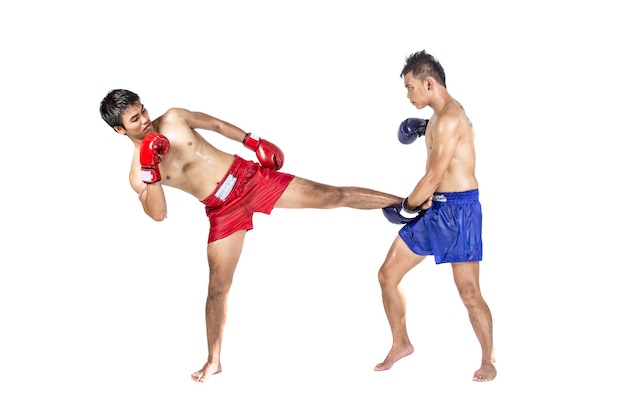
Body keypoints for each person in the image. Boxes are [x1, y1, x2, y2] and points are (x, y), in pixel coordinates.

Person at [99, 89, 403, 382]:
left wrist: (253, 141)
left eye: (143, 111)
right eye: (135, 120)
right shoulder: (136, 172)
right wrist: (150, 168)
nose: (145, 120)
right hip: (222, 209)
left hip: (249, 178)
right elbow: (158, 213)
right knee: (217, 287)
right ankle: (213, 360)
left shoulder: (175, 118)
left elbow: (216, 125)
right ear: (119, 130)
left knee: (332, 195)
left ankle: (407, 204)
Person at [375, 50, 497, 382]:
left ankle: (488, 359)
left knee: (469, 294)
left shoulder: (450, 119)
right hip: (436, 210)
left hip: (458, 213)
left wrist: (405, 209)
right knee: (387, 276)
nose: (408, 95)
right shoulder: (442, 118)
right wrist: (423, 128)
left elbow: (431, 178)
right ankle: (401, 342)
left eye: (410, 87)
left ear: (429, 83)